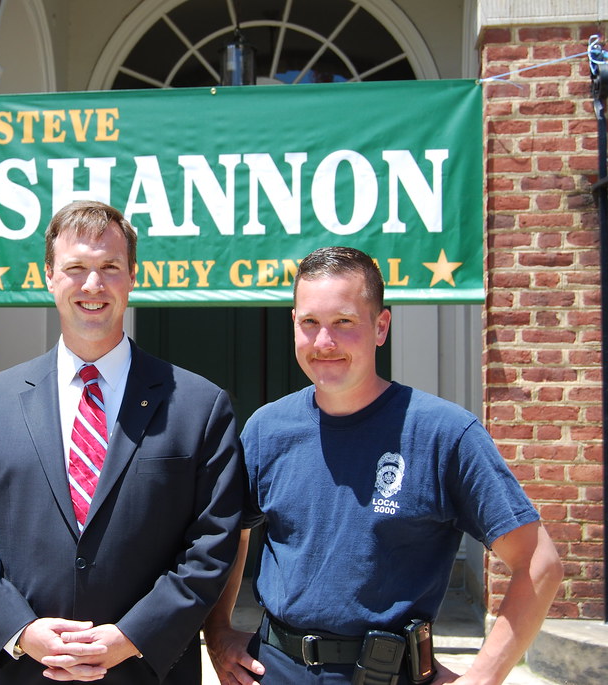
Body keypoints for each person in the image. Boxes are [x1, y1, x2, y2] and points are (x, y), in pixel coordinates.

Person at [204, 246, 563, 685]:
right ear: (293, 325)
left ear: (381, 326)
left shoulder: (443, 433)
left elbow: (538, 563)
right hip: (273, 671)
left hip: (388, 675)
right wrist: (219, 631)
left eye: (344, 323)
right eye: (310, 323)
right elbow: (231, 535)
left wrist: (482, 678)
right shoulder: (267, 428)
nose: (324, 343)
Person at [0, 199, 244, 684]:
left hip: (146, 671)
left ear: (132, 276)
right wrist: (22, 630)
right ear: (49, 277)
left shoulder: (199, 406)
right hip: (22, 671)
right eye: (76, 267)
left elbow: (213, 542)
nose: (92, 285)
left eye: (109, 268)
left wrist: (132, 637)